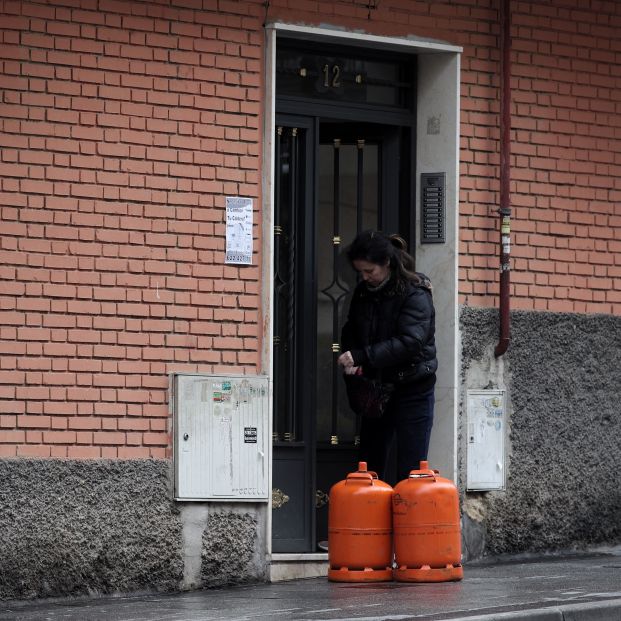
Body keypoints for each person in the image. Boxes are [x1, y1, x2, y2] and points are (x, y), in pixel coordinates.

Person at [337, 230, 437, 483]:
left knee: (411, 469)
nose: (365, 277)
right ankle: (374, 520)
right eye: (360, 272)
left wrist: (362, 356)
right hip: (377, 389)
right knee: (369, 466)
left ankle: (408, 522)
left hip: (412, 387)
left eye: (370, 271)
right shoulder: (362, 293)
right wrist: (351, 360)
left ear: (387, 263)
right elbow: (351, 329)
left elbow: (411, 342)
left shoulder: (415, 291)